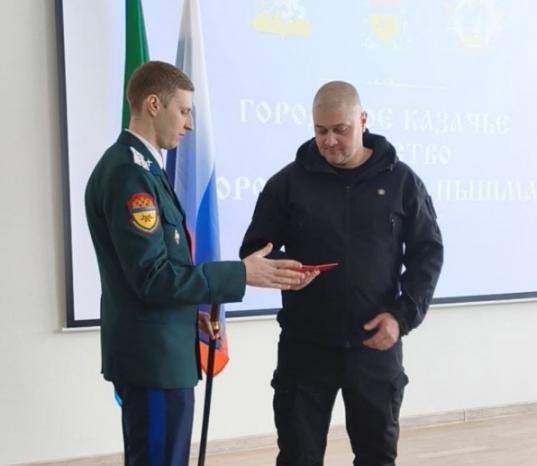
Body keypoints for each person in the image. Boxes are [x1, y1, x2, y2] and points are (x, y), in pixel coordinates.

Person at [85, 61, 307, 466]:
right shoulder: (129, 174)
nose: (189, 124)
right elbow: (152, 278)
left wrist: (190, 315)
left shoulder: (144, 169)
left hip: (163, 351)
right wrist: (241, 273)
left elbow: (156, 269)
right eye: (184, 111)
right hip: (153, 360)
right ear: (154, 104)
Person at [239, 81, 444, 466]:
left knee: (377, 456)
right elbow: (255, 251)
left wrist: (402, 317)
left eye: (340, 129)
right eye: (320, 130)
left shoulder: (402, 182)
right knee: (298, 457)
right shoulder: (287, 184)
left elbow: (427, 254)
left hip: (374, 346)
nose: (329, 140)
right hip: (305, 347)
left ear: (363, 120)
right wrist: (283, 268)